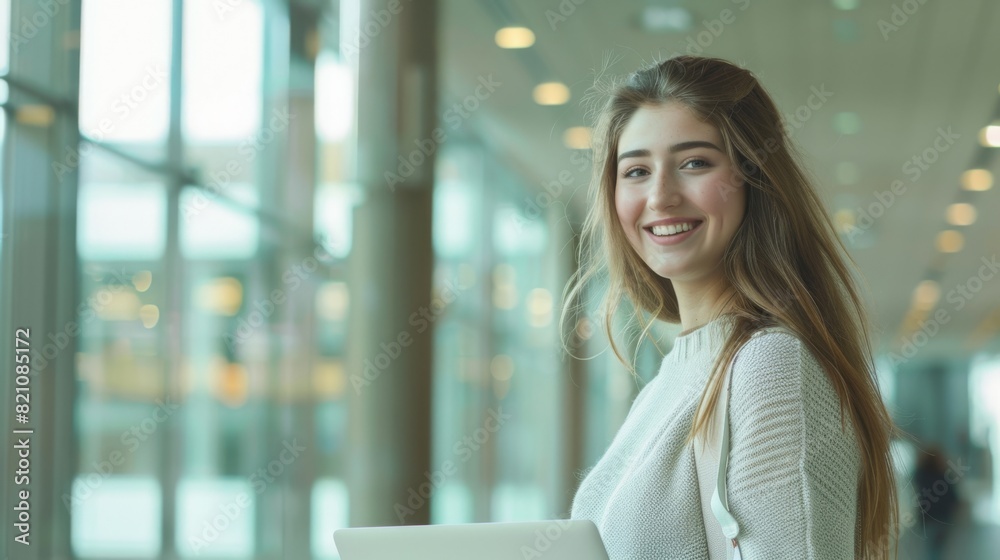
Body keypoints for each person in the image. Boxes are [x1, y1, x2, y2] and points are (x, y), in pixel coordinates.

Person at [560, 55, 902, 559]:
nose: (659, 196)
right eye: (635, 170)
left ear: (753, 177)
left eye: (694, 162)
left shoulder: (770, 369)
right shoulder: (670, 381)